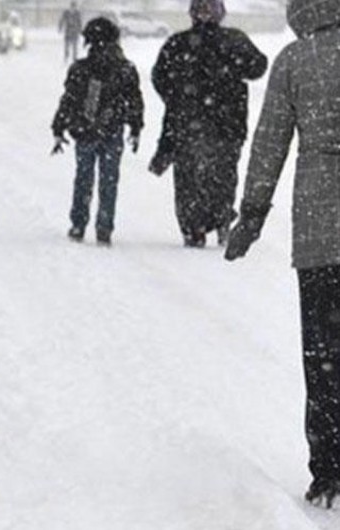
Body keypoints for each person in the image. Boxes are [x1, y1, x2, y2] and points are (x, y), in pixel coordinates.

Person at [224, 0, 340, 509]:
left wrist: (251, 214)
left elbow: (269, 141)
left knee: (324, 356)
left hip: (320, 233)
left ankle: (330, 471)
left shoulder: (295, 59)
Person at [151, 0, 267, 248]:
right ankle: (219, 219)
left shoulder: (178, 43)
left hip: (188, 123)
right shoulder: (233, 40)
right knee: (221, 177)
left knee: (190, 179)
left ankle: (195, 226)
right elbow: (258, 66)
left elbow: (160, 77)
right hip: (226, 124)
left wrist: (177, 97)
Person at [51, 17, 143, 246]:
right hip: (113, 131)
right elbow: (134, 100)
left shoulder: (81, 68)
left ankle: (78, 224)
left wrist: (59, 126)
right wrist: (135, 126)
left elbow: (69, 100)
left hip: (85, 131)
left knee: (83, 178)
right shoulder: (125, 69)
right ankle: (104, 227)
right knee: (108, 181)